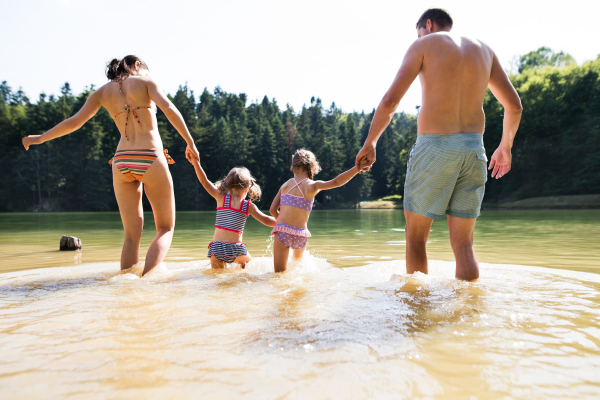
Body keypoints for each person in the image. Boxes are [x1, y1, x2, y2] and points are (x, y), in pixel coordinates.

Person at [355, 9, 522, 281]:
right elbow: (514, 106)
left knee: (416, 237)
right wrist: (505, 147)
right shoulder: (485, 51)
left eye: (419, 31)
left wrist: (370, 142)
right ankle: (469, 311)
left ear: (428, 25)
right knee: (465, 245)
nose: (419, 36)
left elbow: (390, 102)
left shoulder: (423, 44)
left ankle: (418, 314)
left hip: (435, 147)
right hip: (474, 150)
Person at [22, 55, 200, 276]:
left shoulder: (101, 93)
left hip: (121, 161)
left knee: (131, 236)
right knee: (165, 228)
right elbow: (170, 108)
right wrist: (190, 142)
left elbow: (74, 122)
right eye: (144, 69)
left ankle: (126, 284)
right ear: (137, 65)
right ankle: (149, 281)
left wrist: (39, 138)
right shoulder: (146, 82)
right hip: (149, 156)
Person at [270, 149, 359, 272]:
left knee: (279, 274)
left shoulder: (285, 185)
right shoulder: (312, 185)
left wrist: (282, 224)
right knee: (298, 269)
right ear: (313, 167)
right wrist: (357, 168)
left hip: (282, 231)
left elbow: (272, 210)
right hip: (300, 234)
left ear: (294, 167)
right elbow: (336, 182)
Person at [189, 160, 277, 269]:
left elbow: (204, 181)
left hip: (217, 249)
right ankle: (242, 271)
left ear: (227, 186)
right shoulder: (248, 206)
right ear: (246, 190)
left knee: (217, 279)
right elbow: (266, 220)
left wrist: (196, 163)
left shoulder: (220, 197)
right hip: (236, 250)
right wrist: (283, 222)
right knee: (248, 262)